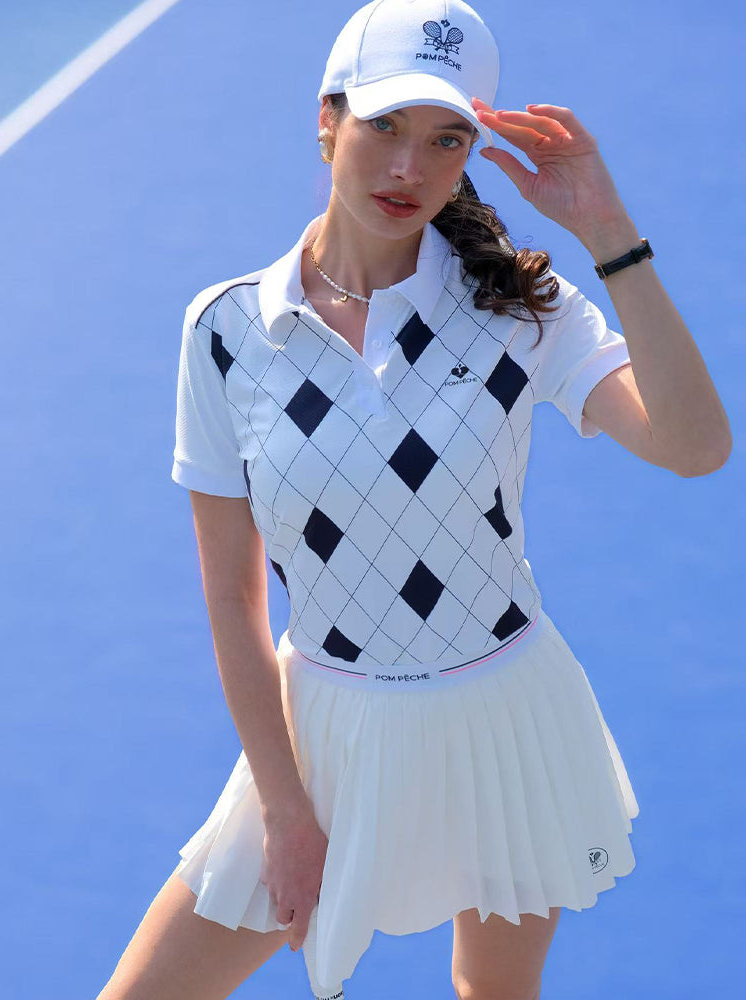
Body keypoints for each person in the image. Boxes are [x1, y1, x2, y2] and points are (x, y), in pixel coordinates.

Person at [95, 0, 732, 998]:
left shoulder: (527, 310)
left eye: (445, 140)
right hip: (324, 733)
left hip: (506, 719)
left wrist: (611, 234)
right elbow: (231, 597)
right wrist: (286, 805)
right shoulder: (225, 333)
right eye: (385, 127)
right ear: (326, 121)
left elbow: (695, 448)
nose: (410, 168)